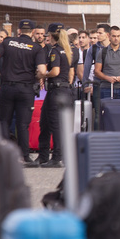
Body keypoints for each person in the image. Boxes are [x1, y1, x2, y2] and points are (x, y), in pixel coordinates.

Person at [0, 18, 41, 164]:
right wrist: (37, 77)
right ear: (33, 32)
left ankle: (4, 155)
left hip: (7, 87)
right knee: (23, 124)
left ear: (19, 30)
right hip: (25, 88)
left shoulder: (8, 42)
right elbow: (41, 70)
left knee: (4, 121)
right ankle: (25, 155)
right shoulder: (36, 47)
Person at [34, 24, 74, 168]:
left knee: (54, 125)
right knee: (45, 122)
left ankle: (57, 157)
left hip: (56, 91)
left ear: (51, 36)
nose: (47, 39)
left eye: (48, 36)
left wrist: (43, 74)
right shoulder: (67, 50)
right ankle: (43, 156)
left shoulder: (55, 51)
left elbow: (55, 71)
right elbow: (70, 73)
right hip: (62, 90)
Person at [95, 25, 120, 104]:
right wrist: (107, 78)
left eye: (118, 36)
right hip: (106, 88)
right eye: (114, 36)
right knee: (106, 113)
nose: (116, 39)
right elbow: (97, 71)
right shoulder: (103, 52)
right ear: (109, 36)